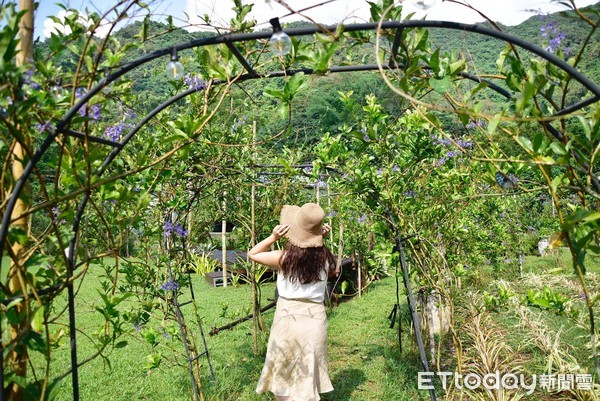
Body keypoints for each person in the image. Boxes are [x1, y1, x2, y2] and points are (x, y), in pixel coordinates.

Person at [248, 202, 338, 401]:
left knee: (283, 367)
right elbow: (315, 256)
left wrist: (274, 237)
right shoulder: (326, 259)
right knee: (308, 370)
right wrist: (319, 239)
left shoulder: (284, 258)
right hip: (314, 318)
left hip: (287, 317)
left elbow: (253, 254)